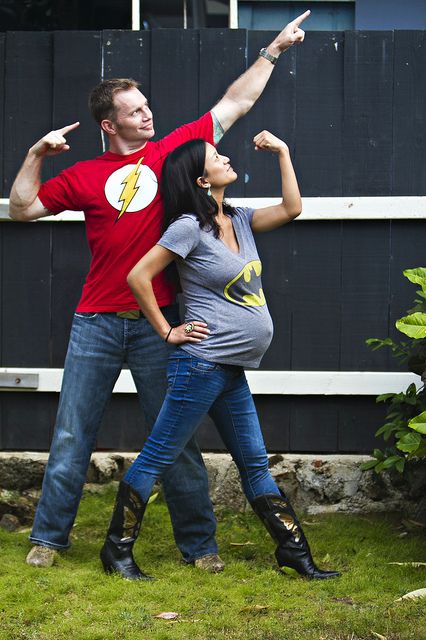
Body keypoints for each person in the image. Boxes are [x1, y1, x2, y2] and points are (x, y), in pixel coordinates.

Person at [8, 10, 311, 571]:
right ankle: (48, 539)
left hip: (161, 323)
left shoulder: (173, 152)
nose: (148, 114)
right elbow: (23, 208)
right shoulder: (83, 176)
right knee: (72, 434)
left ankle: (200, 547)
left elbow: (235, 103)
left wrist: (274, 50)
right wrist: (36, 155)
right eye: (135, 111)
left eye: (146, 106)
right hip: (96, 321)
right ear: (109, 124)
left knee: (177, 440)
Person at [100, 131, 340, 581]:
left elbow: (292, 208)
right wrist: (168, 330)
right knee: (157, 457)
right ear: (201, 179)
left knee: (254, 462)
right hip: (201, 364)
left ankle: (294, 553)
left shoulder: (239, 218)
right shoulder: (187, 227)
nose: (226, 158)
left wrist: (284, 152)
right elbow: (138, 276)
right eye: (216, 156)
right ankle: (117, 551)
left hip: (230, 368)